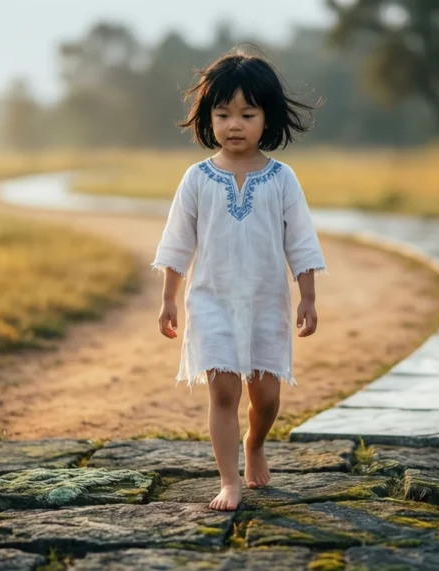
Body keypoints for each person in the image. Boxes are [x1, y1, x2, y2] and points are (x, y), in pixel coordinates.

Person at [152, 48, 327, 512]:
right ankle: (229, 480)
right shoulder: (196, 179)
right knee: (224, 391)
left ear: (265, 118)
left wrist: (307, 297)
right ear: (208, 117)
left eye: (247, 113)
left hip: (267, 302)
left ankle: (255, 444)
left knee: (265, 399)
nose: (234, 124)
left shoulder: (282, 180)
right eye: (223, 113)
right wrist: (169, 299)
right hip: (211, 302)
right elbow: (176, 244)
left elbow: (302, 243)